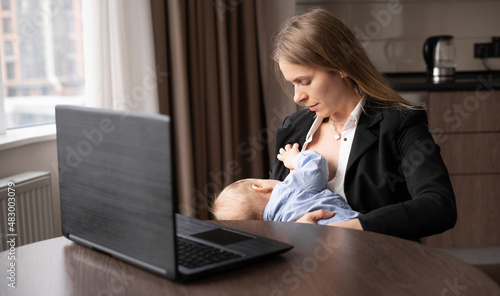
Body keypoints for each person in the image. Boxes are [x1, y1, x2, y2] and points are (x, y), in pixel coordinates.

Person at [269, 8, 457, 241]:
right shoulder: (294, 128)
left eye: (304, 82)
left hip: (381, 265)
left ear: (340, 67)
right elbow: (271, 206)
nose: (297, 97)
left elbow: (439, 205)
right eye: (292, 85)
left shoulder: (399, 123)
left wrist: (344, 229)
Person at [213, 143, 360, 224]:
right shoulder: (288, 189)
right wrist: (295, 159)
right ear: (260, 187)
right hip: (346, 223)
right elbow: (317, 165)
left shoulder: (279, 226)